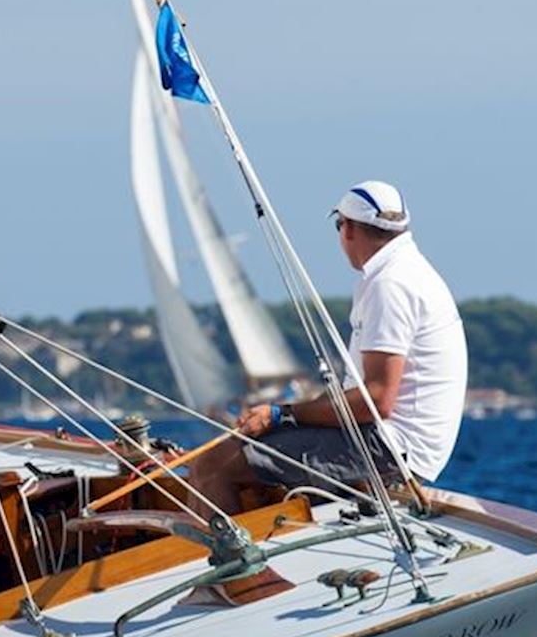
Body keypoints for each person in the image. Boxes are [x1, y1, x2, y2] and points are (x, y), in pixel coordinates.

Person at [191, 181, 467, 515]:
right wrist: (279, 417)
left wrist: (281, 414)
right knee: (250, 451)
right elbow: (360, 395)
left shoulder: (390, 285)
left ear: (348, 228)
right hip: (396, 442)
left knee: (211, 466)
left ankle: (235, 551)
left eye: (339, 225)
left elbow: (377, 401)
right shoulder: (406, 271)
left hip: (391, 447)